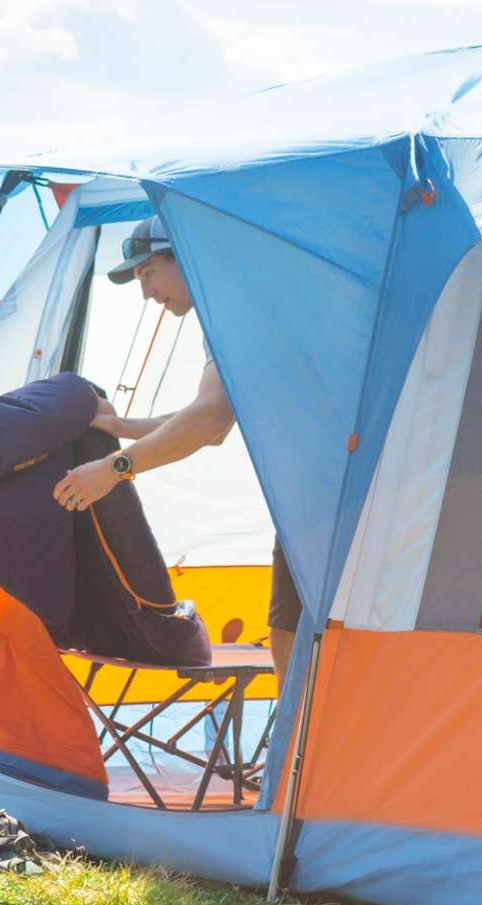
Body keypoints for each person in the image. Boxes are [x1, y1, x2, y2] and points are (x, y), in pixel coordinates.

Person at [52, 216, 304, 680]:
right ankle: (301, 749)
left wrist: (113, 468)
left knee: (307, 634)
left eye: (148, 272)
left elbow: (209, 419)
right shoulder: (230, 308)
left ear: (182, 254)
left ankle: (317, 750)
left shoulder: (231, 310)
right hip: (309, 498)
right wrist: (120, 425)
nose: (146, 291)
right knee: (287, 633)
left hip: (334, 491)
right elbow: (211, 422)